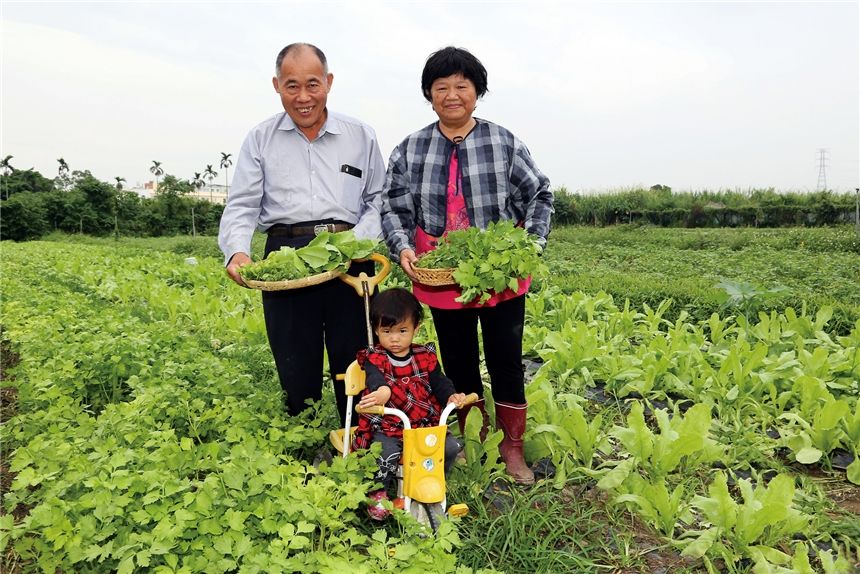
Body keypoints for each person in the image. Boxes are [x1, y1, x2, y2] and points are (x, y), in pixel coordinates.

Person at [379, 47, 553, 485]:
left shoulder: (503, 142)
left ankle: (512, 448)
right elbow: (394, 207)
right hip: (440, 276)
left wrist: (529, 245)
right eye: (442, 87)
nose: (452, 95)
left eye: (462, 86)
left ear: (477, 92)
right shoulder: (411, 148)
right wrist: (402, 247)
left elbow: (539, 195)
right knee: (457, 362)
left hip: (498, 277)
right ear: (429, 94)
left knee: (506, 361)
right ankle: (471, 441)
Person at [218, 43, 386, 421]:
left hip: (350, 254)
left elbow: (380, 199)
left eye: (313, 84)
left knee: (358, 355)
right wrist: (237, 252)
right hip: (286, 254)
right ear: (276, 85)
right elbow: (242, 204)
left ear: (328, 82)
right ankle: (303, 437)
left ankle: (359, 436)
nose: (304, 97)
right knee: (295, 359)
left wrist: (355, 242)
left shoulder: (360, 135)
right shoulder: (260, 139)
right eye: (292, 86)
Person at [351, 288, 466, 520]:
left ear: (416, 328)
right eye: (387, 331)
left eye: (403, 331)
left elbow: (440, 383)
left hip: (423, 422)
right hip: (390, 423)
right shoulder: (375, 359)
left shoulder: (425, 356)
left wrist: (451, 396)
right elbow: (375, 379)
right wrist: (382, 390)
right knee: (386, 453)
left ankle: (433, 481)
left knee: (450, 447)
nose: (395, 338)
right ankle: (378, 492)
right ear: (376, 330)